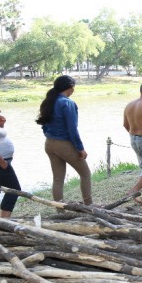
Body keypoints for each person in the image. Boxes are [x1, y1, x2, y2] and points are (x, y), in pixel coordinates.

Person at [36, 75, 92, 206]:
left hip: (49, 143)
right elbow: (72, 129)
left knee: (58, 179)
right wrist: (80, 148)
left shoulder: (49, 101)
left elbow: (44, 124)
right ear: (70, 88)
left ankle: (60, 210)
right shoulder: (67, 103)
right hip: (64, 144)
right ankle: (89, 205)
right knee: (85, 173)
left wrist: (50, 135)